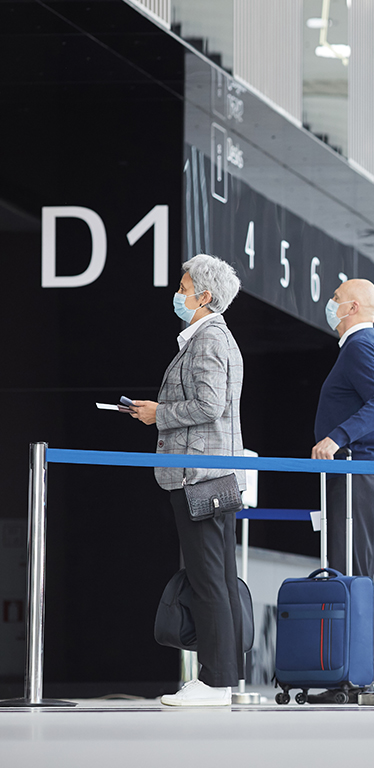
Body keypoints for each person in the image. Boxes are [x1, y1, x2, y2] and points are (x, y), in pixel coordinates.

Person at [128, 254, 245, 707]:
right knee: (217, 576)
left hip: (198, 474)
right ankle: (224, 676)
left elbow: (209, 406)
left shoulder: (208, 340)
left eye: (183, 287)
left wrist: (160, 415)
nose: (178, 294)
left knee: (208, 578)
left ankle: (215, 681)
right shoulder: (206, 339)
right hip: (208, 473)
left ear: (204, 296)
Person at [308, 278, 374, 699]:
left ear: (355, 307)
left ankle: (361, 675)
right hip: (357, 471)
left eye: (336, 300)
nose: (331, 305)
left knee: (352, 571)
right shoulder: (368, 346)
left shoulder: (362, 345)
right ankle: (356, 671)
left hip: (356, 469)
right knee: (351, 569)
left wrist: (336, 436)